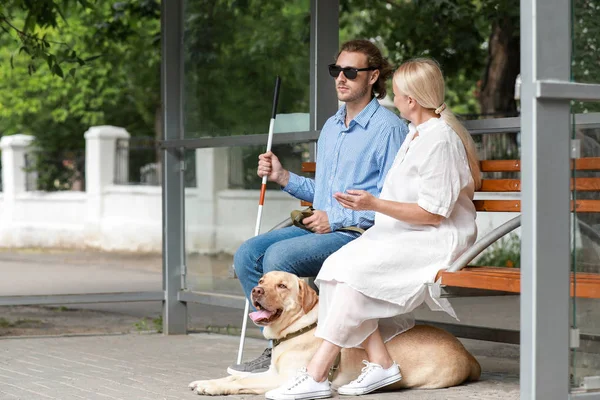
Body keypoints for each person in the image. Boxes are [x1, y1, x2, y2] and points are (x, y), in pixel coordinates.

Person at [264, 57, 482, 400]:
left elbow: (432, 214)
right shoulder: (417, 133)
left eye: (395, 94)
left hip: (434, 238)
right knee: (336, 268)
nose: (391, 100)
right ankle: (380, 364)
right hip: (404, 232)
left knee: (353, 277)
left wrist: (373, 204)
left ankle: (316, 374)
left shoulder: (440, 140)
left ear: (411, 100)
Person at [228, 39, 409, 376]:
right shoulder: (331, 127)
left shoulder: (389, 130)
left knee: (279, 258)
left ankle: (299, 348)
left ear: (372, 77)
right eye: (336, 70)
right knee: (247, 254)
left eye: (351, 72)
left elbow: (392, 203)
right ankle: (280, 344)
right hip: (321, 226)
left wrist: (335, 218)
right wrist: (283, 176)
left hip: (360, 232)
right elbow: (323, 195)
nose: (341, 78)